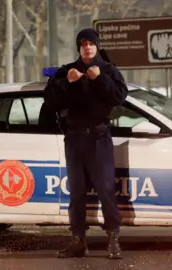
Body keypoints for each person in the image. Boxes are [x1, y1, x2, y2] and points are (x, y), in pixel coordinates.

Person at [44, 28, 128, 259]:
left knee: (105, 190)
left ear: (97, 46)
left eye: (91, 44)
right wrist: (68, 83)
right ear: (79, 48)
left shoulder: (108, 71)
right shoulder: (66, 71)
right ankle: (78, 241)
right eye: (83, 44)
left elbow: (120, 96)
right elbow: (49, 100)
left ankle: (113, 240)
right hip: (74, 138)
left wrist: (98, 79)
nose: (88, 47)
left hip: (99, 138)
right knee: (77, 192)